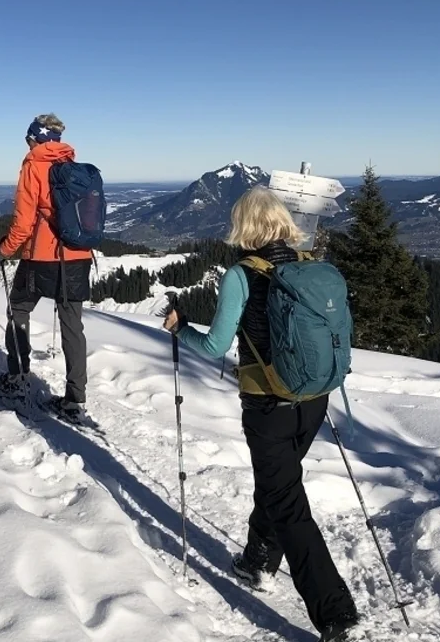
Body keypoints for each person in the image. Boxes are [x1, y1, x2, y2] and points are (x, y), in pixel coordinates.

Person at [160, 187, 361, 641]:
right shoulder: (309, 267)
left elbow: (214, 347)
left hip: (267, 405)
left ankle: (335, 613)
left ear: (245, 227)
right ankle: (257, 560)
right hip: (315, 398)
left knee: (288, 503)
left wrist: (181, 329)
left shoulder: (241, 275)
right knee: (279, 483)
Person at [0, 114, 93, 422]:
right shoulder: (73, 167)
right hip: (79, 256)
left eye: (28, 138)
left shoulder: (34, 166)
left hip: (42, 258)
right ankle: (75, 399)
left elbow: (22, 223)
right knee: (73, 326)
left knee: (19, 309)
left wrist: (4, 251)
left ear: (35, 138)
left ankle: (18, 378)